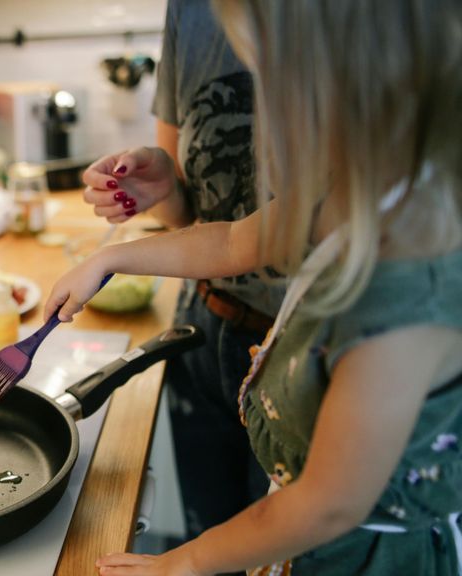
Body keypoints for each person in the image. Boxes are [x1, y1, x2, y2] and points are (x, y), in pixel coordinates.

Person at [50, 0, 462, 573]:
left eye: (272, 77)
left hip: (358, 557)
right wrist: (110, 260)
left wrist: (182, 564)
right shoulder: (363, 189)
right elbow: (230, 244)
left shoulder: (404, 295)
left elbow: (325, 506)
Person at [83, 0, 273, 539]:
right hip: (204, 330)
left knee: (276, 551)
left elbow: (249, 238)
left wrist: (108, 258)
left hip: (312, 347)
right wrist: (161, 187)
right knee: (207, 531)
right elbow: (196, 217)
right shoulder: (191, 11)